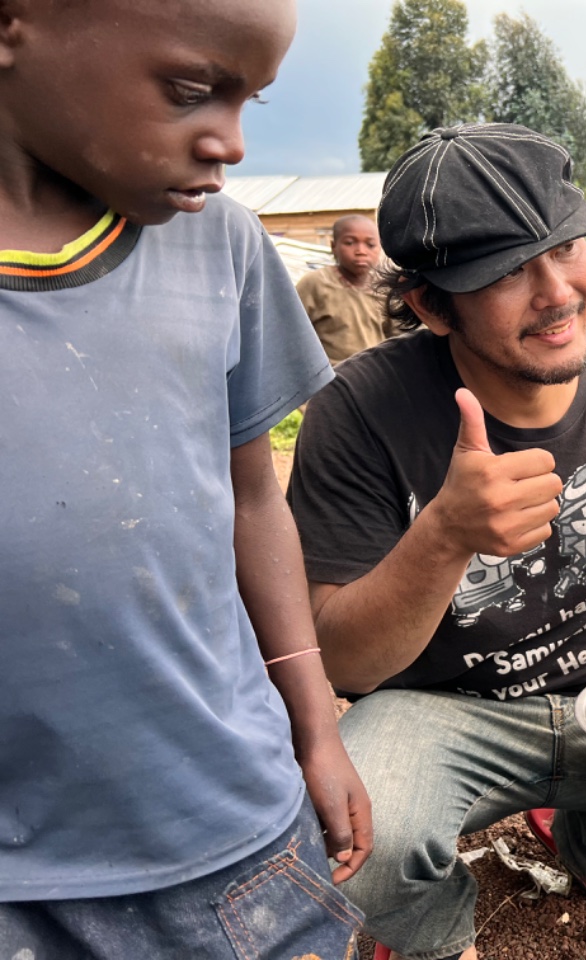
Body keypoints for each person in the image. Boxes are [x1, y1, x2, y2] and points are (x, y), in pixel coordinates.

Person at [287, 123, 586, 960]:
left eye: (566, 248)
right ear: (429, 305)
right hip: (439, 713)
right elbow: (347, 662)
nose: (558, 292)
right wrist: (444, 536)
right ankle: (429, 929)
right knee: (352, 831)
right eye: (507, 272)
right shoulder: (358, 411)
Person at [0, 1, 372, 958]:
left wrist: (317, 728)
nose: (232, 142)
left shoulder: (221, 247)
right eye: (192, 89)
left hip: (231, 836)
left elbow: (254, 499)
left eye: (251, 101)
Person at [296, 214, 395, 365]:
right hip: (332, 373)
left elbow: (398, 336)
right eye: (350, 243)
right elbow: (293, 332)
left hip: (374, 371)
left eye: (370, 245)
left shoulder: (385, 288)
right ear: (333, 247)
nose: (361, 251)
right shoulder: (315, 283)